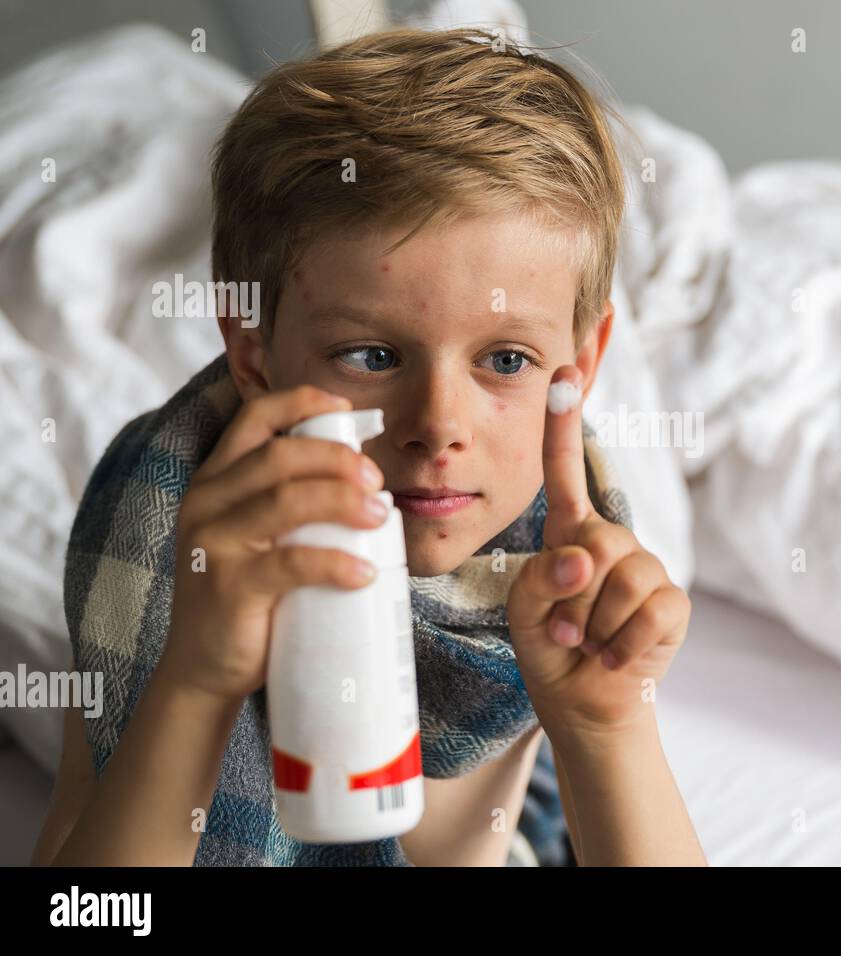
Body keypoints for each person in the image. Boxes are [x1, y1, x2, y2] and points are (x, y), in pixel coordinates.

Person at [32, 26, 706, 867]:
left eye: (505, 360)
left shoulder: (554, 560)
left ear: (582, 363)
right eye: (373, 357)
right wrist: (197, 682)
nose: (438, 425)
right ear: (252, 353)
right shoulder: (164, 534)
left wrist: (608, 727)